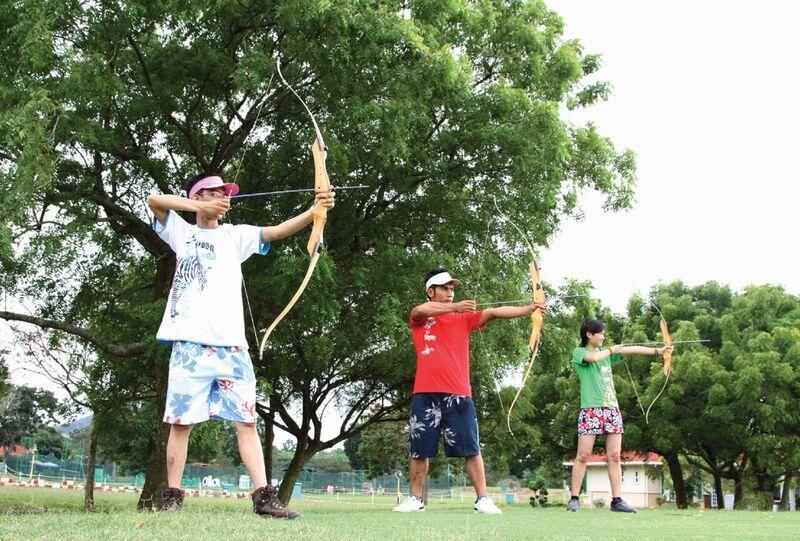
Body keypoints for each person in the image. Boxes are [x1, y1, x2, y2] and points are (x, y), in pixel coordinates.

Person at [147, 172, 335, 519]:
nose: (222, 198)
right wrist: (197, 205)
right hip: (189, 346)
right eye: (213, 193)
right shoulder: (182, 232)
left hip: (232, 347)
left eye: (224, 193)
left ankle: (264, 497)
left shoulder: (235, 235)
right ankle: (172, 497)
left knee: (246, 421)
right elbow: (154, 200)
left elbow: (276, 231)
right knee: (181, 423)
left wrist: (314, 212)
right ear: (197, 197)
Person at [392, 267, 547, 515]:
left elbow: (496, 312)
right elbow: (420, 310)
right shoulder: (421, 316)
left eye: (452, 288)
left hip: (458, 392)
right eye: (445, 288)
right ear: (430, 291)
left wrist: (530, 309)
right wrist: (456, 307)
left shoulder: (463, 318)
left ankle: (483, 499)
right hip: (425, 392)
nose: (450, 292)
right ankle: (415, 499)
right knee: (420, 449)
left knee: (471, 447)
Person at [566, 318, 673, 513]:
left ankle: (617, 500)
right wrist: (610, 351)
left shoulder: (606, 352)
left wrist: (659, 351)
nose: (603, 337)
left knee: (614, 456)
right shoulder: (580, 352)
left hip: (612, 409)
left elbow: (631, 349)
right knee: (583, 455)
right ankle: (574, 499)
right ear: (589, 334)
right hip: (591, 409)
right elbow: (594, 358)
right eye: (601, 333)